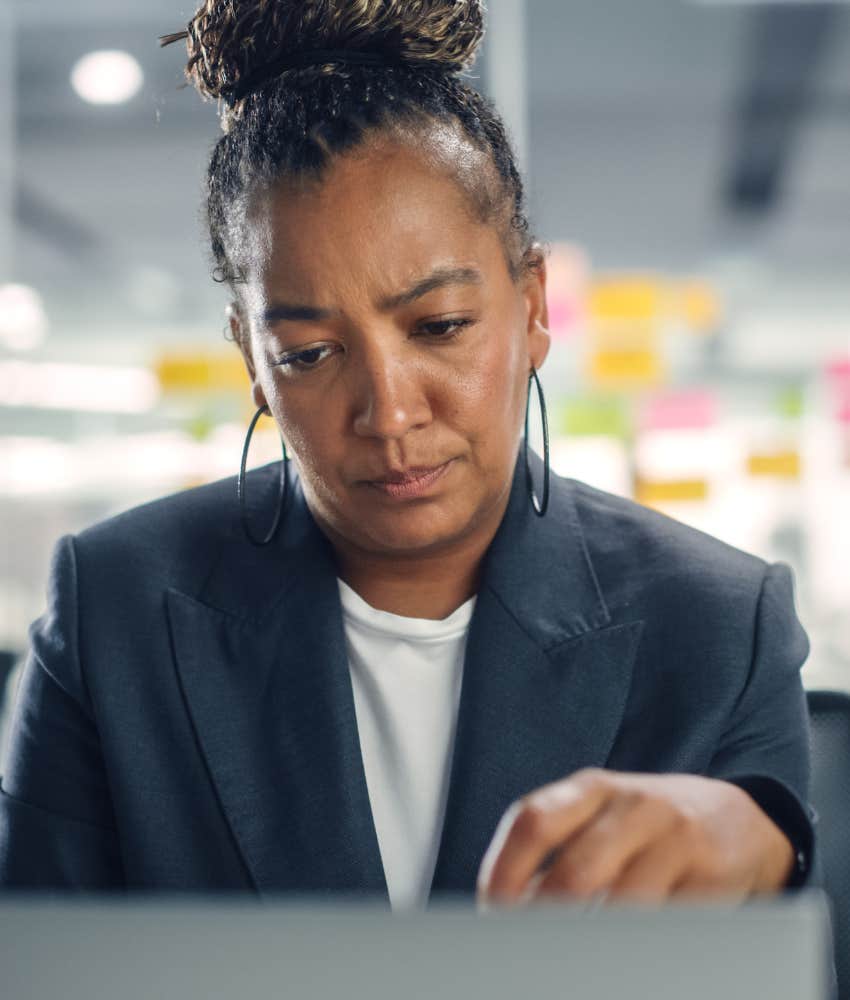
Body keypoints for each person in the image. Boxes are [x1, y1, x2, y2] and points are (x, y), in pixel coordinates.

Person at [0, 0, 815, 907]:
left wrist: (767, 855)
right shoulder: (114, 612)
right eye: (309, 354)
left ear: (535, 307)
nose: (389, 413)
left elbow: (796, 933)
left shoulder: (717, 625)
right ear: (252, 362)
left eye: (440, 326)